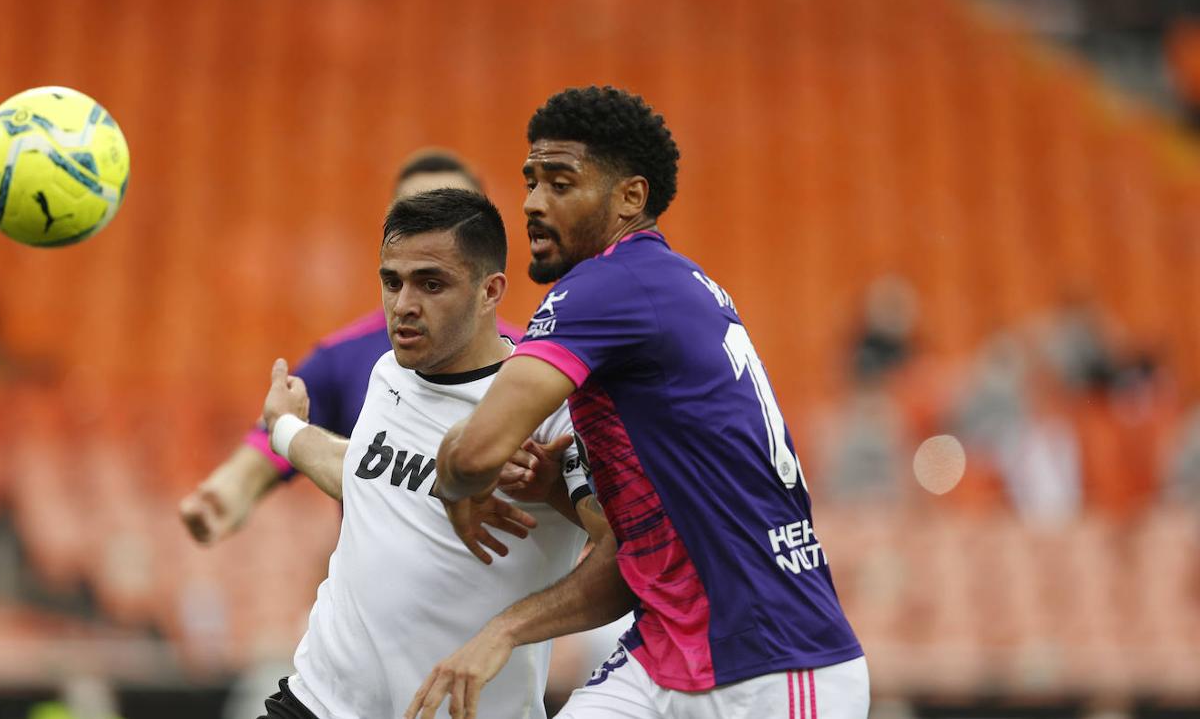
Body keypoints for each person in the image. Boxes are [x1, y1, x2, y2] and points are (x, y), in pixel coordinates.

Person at [408, 86, 869, 719]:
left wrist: (457, 480)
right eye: (531, 182)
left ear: (630, 197)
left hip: (771, 660)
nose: (534, 205)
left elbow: (477, 450)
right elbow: (638, 556)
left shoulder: (609, 286)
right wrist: (551, 500)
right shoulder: (668, 284)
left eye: (561, 184)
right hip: (666, 652)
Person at [254, 188, 607, 719]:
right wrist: (283, 428)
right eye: (391, 282)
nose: (403, 305)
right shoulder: (387, 373)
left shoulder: (552, 411)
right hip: (316, 704)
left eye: (431, 283)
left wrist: (555, 492)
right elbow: (365, 475)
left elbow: (630, 557)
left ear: (490, 291)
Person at [178, 150, 523, 545]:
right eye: (413, 214)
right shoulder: (346, 359)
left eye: (448, 213)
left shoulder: (539, 367)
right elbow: (279, 430)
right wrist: (227, 492)